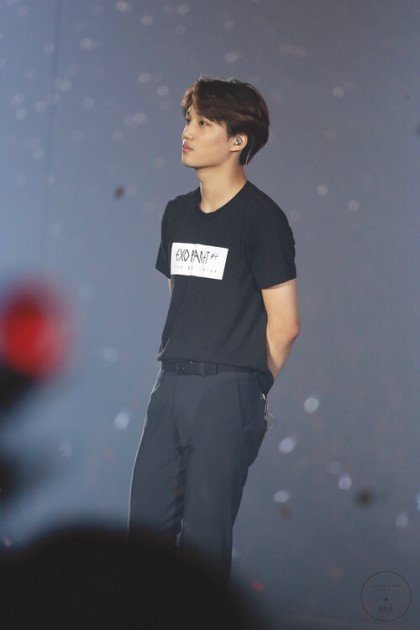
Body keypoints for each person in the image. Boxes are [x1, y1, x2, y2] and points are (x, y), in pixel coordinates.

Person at [128, 75, 300, 585]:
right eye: (188, 120)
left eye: (204, 123)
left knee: (203, 544)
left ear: (237, 140)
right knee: (145, 536)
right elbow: (181, 298)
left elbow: (286, 324)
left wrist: (248, 387)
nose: (188, 132)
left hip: (229, 391)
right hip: (170, 385)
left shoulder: (262, 219)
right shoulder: (177, 214)